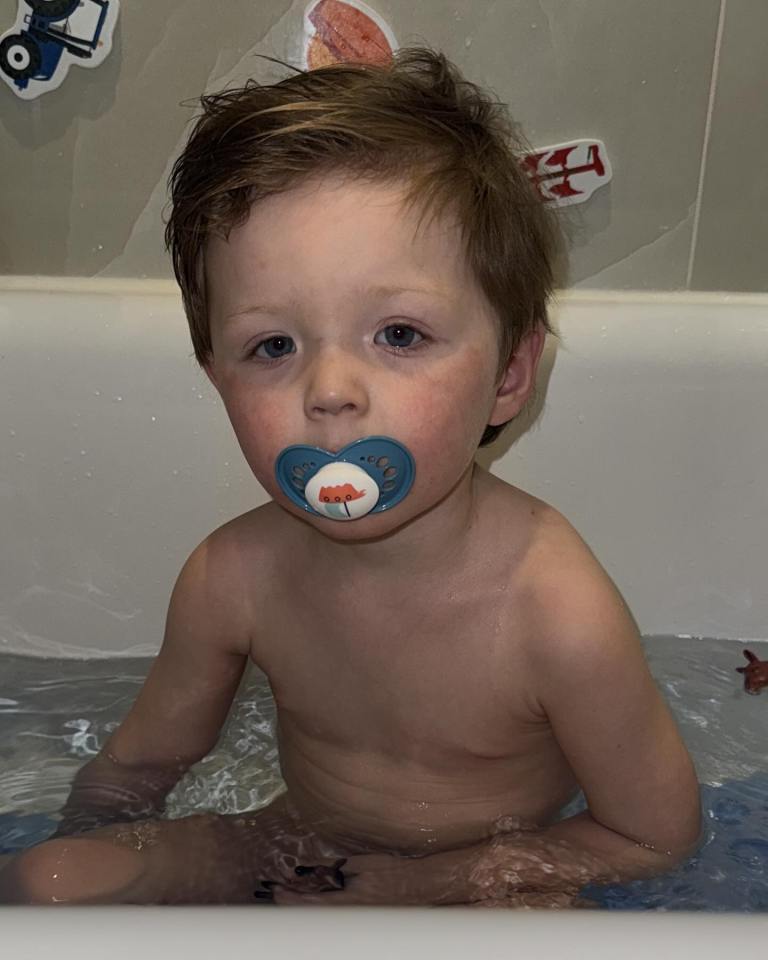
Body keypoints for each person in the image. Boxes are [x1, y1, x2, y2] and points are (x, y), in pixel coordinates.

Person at [0, 45, 701, 906]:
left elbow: (651, 834)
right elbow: (139, 767)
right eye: (273, 346)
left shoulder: (554, 608)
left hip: (488, 876)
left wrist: (422, 886)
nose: (330, 392)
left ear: (509, 376)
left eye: (399, 335)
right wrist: (88, 849)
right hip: (293, 844)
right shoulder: (233, 578)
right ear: (218, 377)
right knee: (51, 880)